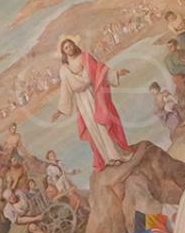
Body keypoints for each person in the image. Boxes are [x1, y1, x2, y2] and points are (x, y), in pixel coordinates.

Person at [51, 38, 132, 170]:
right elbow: (66, 90)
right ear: (63, 52)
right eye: (66, 48)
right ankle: (107, 159)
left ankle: (115, 155)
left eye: (70, 46)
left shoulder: (85, 57)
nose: (69, 48)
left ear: (74, 46)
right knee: (93, 128)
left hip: (93, 95)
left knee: (102, 123)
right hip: (81, 101)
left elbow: (99, 71)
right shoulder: (64, 69)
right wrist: (60, 110)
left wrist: (116, 73)